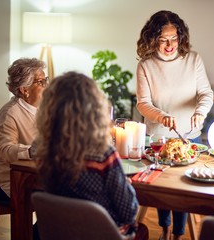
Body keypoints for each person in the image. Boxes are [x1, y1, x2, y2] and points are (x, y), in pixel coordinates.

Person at [34, 71, 148, 239]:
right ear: (96, 110)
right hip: (103, 234)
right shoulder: (104, 156)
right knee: (142, 230)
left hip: (62, 232)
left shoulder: (44, 151)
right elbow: (129, 212)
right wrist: (125, 184)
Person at [136, 10, 214, 240]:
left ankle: (179, 234)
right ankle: (165, 228)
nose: (169, 45)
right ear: (153, 39)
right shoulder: (146, 65)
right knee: (162, 188)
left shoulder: (193, 59)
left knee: (183, 188)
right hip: (159, 137)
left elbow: (206, 94)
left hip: (189, 136)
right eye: (163, 39)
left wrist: (200, 112)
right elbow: (143, 104)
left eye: (174, 38)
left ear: (180, 37)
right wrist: (160, 116)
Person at [0, 57, 47, 200]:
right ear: (24, 90)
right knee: (64, 193)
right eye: (41, 82)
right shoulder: (10, 113)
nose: (46, 86)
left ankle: (44, 223)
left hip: (36, 172)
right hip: (11, 180)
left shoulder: (42, 108)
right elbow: (5, 150)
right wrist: (31, 151)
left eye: (45, 80)